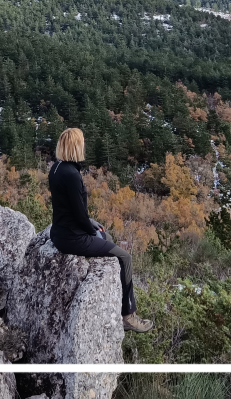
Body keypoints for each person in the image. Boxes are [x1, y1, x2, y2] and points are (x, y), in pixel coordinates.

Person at [48, 127, 154, 333]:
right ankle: (128, 315)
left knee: (105, 236)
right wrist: (89, 227)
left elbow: (68, 206)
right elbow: (79, 215)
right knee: (124, 257)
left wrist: (91, 223)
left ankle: (119, 300)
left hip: (60, 233)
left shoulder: (57, 167)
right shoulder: (72, 174)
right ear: (77, 146)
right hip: (73, 238)